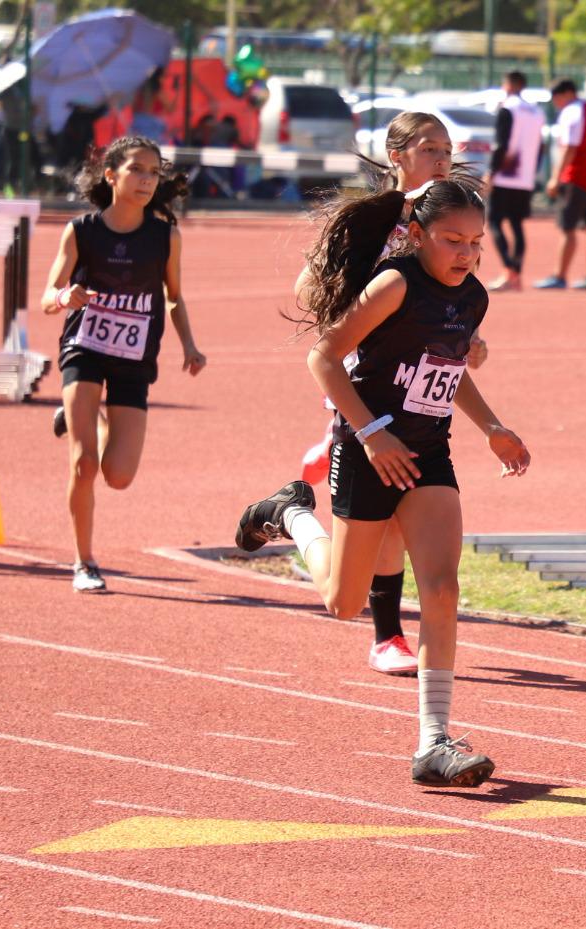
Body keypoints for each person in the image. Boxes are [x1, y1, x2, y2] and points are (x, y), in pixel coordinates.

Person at [237, 179, 529, 789]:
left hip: (428, 455)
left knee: (442, 589)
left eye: (476, 243)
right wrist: (372, 433)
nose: (466, 253)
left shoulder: (473, 296)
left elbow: (449, 366)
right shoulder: (394, 283)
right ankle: (290, 513)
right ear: (417, 235)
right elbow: (323, 358)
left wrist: (493, 428)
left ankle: (434, 740)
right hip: (367, 451)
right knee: (343, 602)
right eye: (452, 240)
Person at [296, 110, 490, 677]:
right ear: (396, 155)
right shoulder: (376, 220)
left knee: (407, 520)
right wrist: (365, 299)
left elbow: (454, 300)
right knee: (379, 522)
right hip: (363, 377)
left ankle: (390, 636)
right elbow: (310, 295)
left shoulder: (454, 216)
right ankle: (385, 629)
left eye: (447, 150)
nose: (441, 159)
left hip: (418, 388)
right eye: (429, 149)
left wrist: (466, 340)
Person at [41, 136, 206, 592]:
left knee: (118, 476)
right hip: (85, 347)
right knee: (84, 465)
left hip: (134, 356)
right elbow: (47, 296)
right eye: (136, 169)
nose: (146, 180)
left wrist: (189, 345)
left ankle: (87, 417)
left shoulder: (164, 236)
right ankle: (84, 562)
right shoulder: (82, 231)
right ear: (111, 175)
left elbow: (174, 297)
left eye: (153, 172)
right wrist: (64, 296)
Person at [536, 79, 586, 291]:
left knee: (567, 229)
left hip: (576, 179)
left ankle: (559, 276)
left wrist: (555, 177)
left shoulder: (572, 113)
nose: (556, 103)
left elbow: (570, 148)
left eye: (557, 97)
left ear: (568, 93)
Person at [485, 71, 545, 293]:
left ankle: (508, 271)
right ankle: (516, 274)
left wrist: (491, 172)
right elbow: (540, 147)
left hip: (505, 176)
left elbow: (501, 144)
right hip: (525, 178)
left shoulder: (508, 108)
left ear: (509, 85)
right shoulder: (537, 112)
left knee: (494, 222)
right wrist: (532, 173)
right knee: (517, 225)